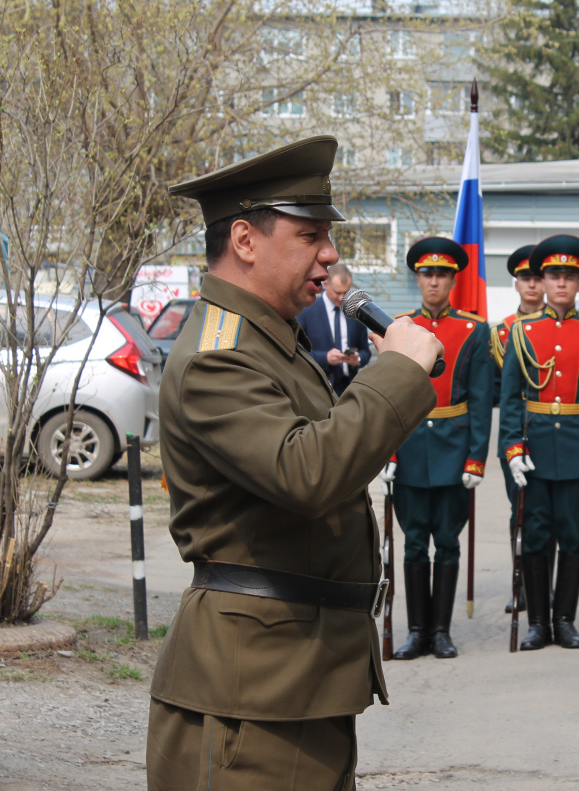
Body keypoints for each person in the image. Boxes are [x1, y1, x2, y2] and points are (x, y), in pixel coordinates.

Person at [148, 135, 442, 791]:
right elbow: (305, 472)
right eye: (310, 235)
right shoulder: (219, 354)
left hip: (294, 677)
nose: (330, 255)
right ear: (246, 241)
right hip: (250, 692)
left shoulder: (269, 342)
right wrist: (394, 372)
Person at [499, 235, 579, 650]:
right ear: (543, 282)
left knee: (572, 537)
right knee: (534, 536)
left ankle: (564, 619)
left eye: (569, 276)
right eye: (553, 276)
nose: (561, 284)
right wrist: (513, 448)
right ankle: (537, 623)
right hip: (533, 450)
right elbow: (511, 395)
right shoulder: (522, 331)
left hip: (578, 451)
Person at [379, 237, 493, 660]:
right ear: (418, 277)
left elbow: (482, 399)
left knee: (446, 541)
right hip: (409, 447)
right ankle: (416, 632)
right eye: (427, 273)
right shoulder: (399, 328)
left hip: (454, 450)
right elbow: (385, 394)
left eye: (442, 274)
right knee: (412, 544)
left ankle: (441, 631)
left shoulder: (474, 330)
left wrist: (477, 457)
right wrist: (386, 452)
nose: (433, 281)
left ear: (452, 280)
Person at [489, 245, 545, 613]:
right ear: (516, 283)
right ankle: (521, 585)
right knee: (521, 512)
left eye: (538, 278)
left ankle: (546, 587)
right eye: (526, 278)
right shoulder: (501, 333)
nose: (532, 284)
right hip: (516, 434)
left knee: (553, 514)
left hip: (556, 431)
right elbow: (496, 391)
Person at [297, 262, 372, 395]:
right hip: (317, 388)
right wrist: (325, 358)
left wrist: (358, 359)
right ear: (326, 284)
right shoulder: (306, 311)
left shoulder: (354, 311)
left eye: (346, 292)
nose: (342, 298)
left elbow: (365, 352)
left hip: (349, 388)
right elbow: (297, 354)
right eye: (338, 292)